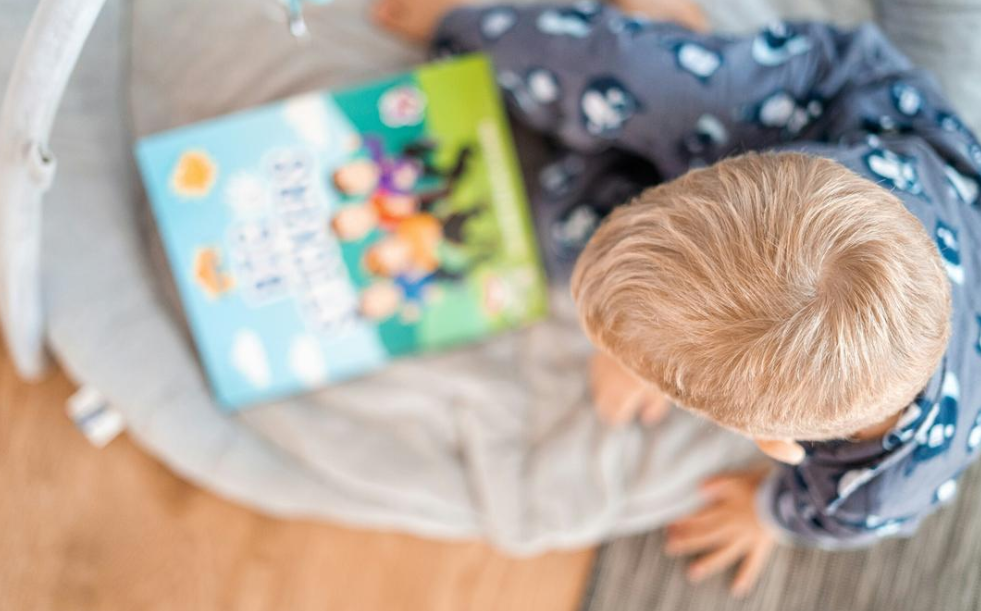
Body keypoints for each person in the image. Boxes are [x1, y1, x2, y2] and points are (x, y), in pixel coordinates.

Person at [372, 0, 981, 596]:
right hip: (859, 114)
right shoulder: (828, 193)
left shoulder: (881, 491)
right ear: (739, 170)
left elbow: (825, 517)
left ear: (776, 444)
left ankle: (679, 50)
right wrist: (459, 24)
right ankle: (683, 45)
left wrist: (766, 513)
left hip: (868, 205)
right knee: (637, 69)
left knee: (561, 229)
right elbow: (599, 58)